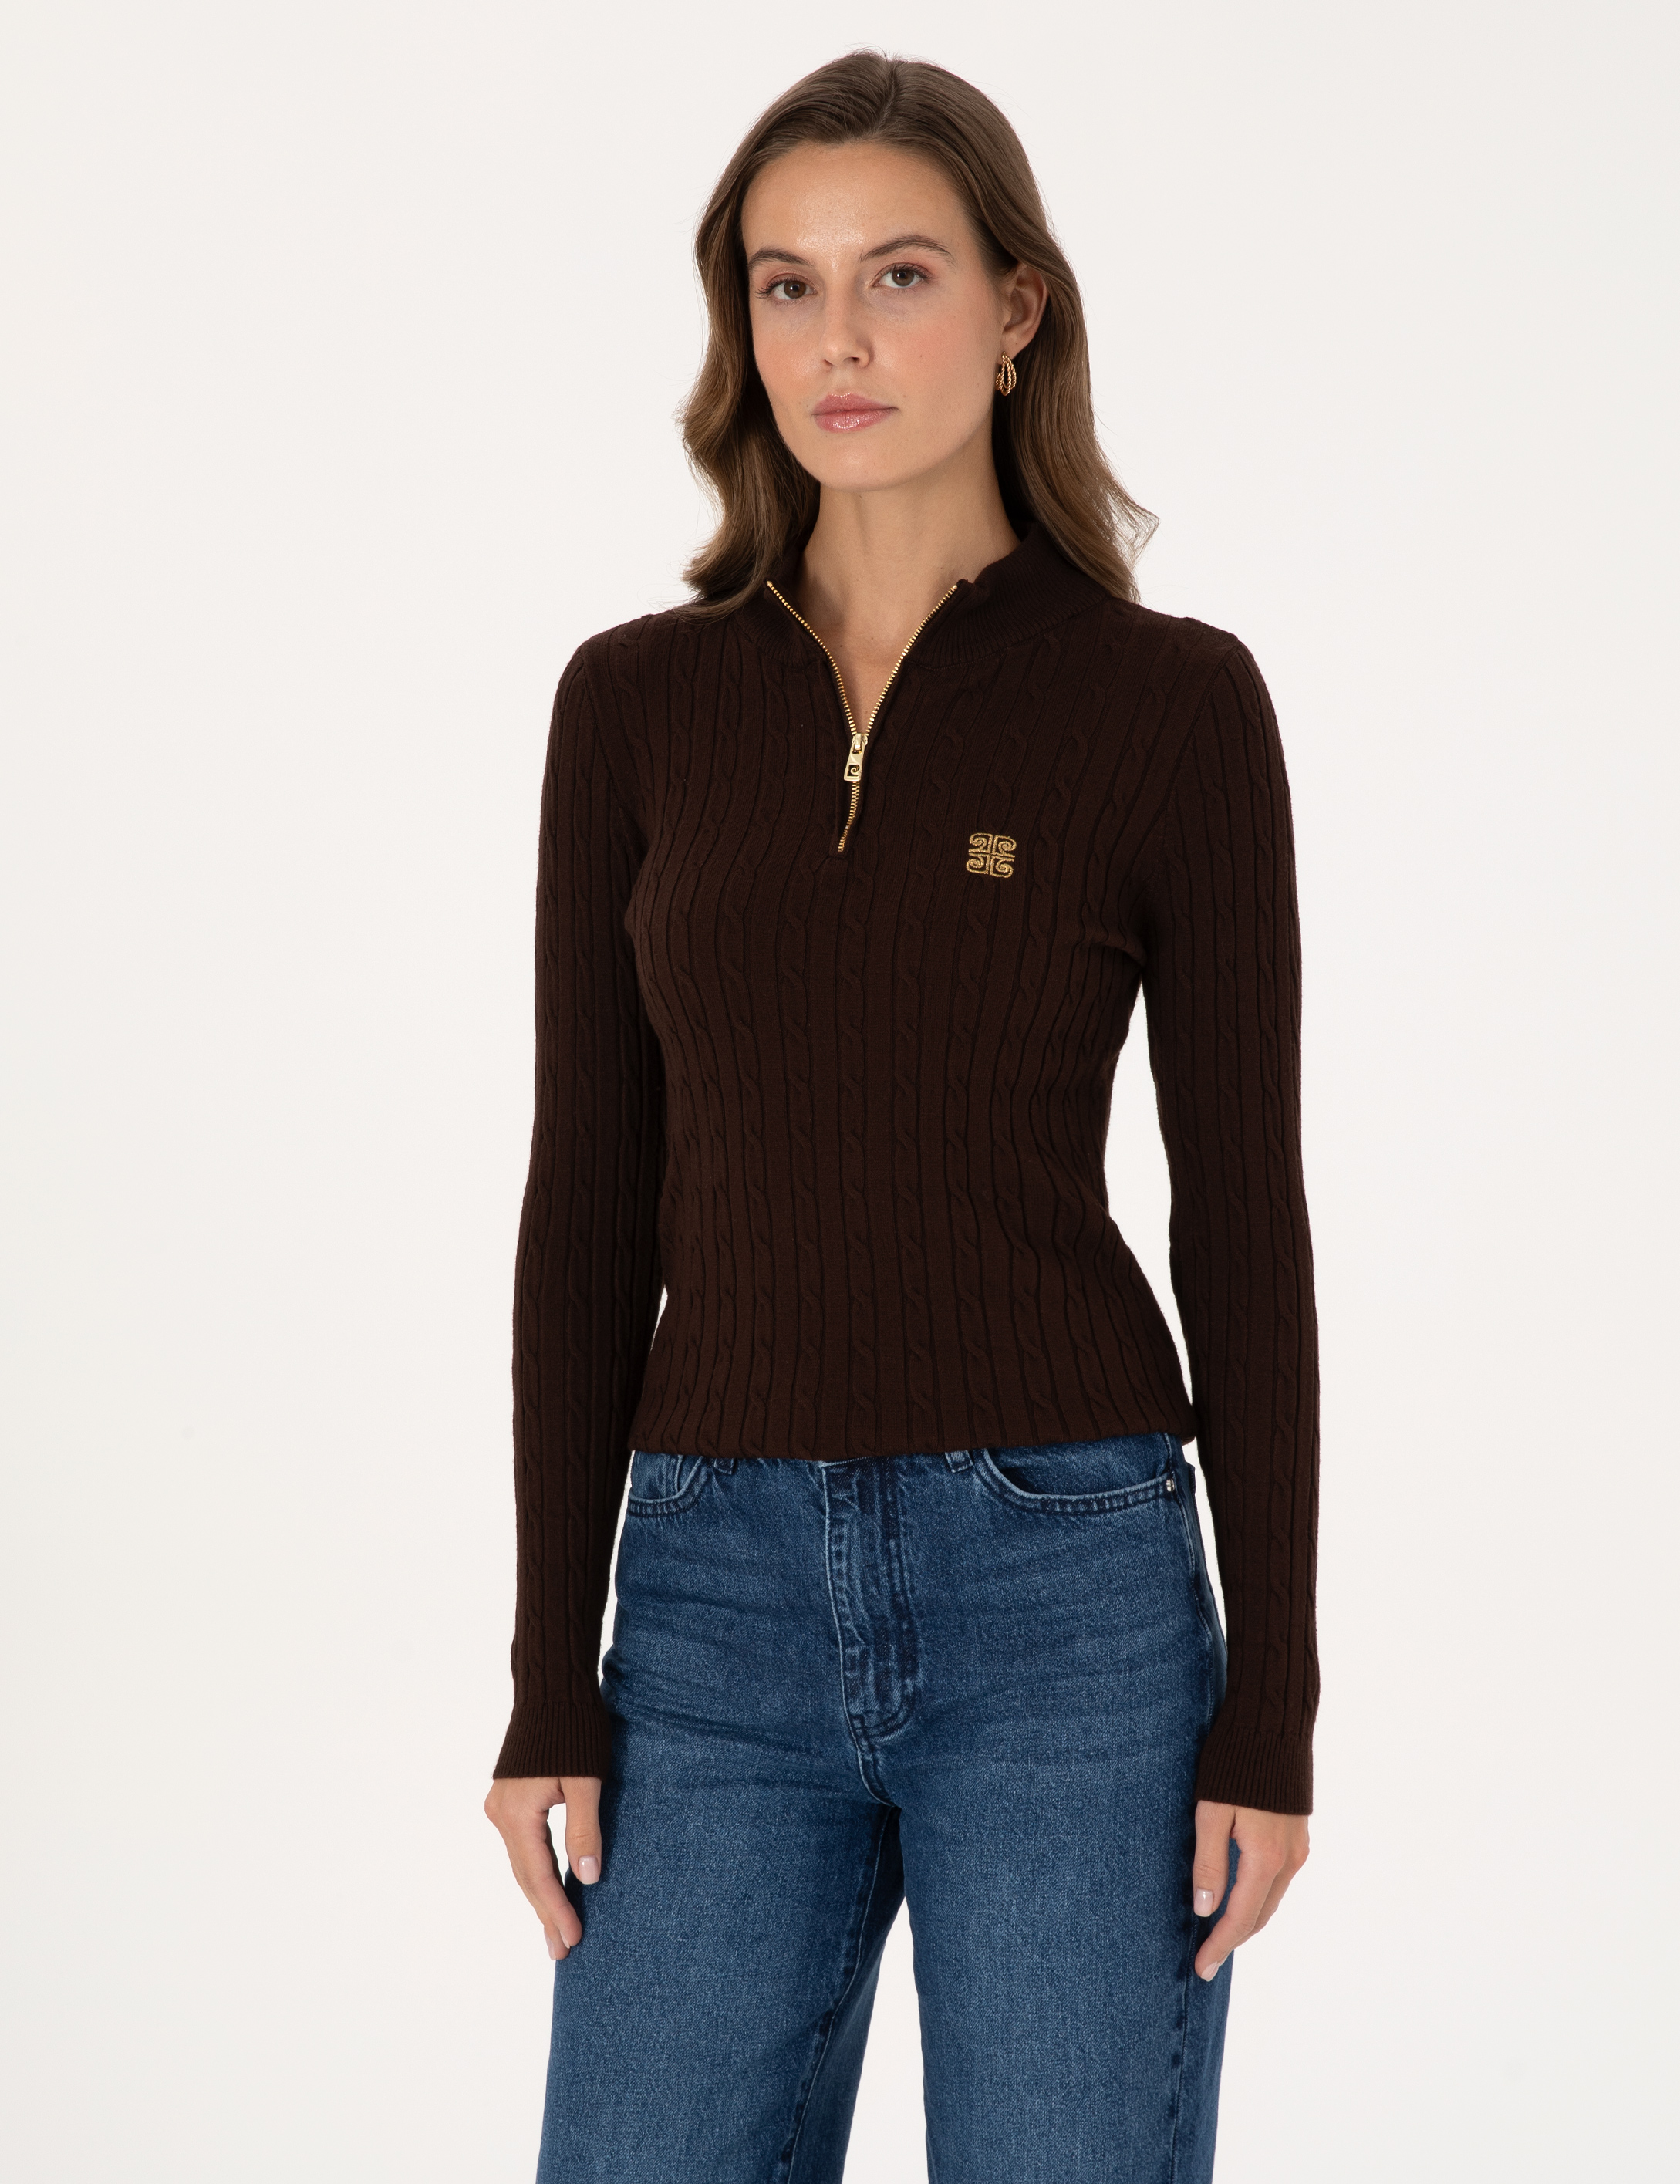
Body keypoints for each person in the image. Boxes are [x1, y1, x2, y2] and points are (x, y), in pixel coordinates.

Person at [484, 49, 1318, 2184]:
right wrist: (549, 1671)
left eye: (900, 275)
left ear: (1018, 306)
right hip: (708, 1599)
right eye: (786, 286)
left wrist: (1274, 1706)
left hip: (1070, 1589)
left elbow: (1243, 1220)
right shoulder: (636, 705)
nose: (836, 342)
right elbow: (591, 1202)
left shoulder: (1169, 704)